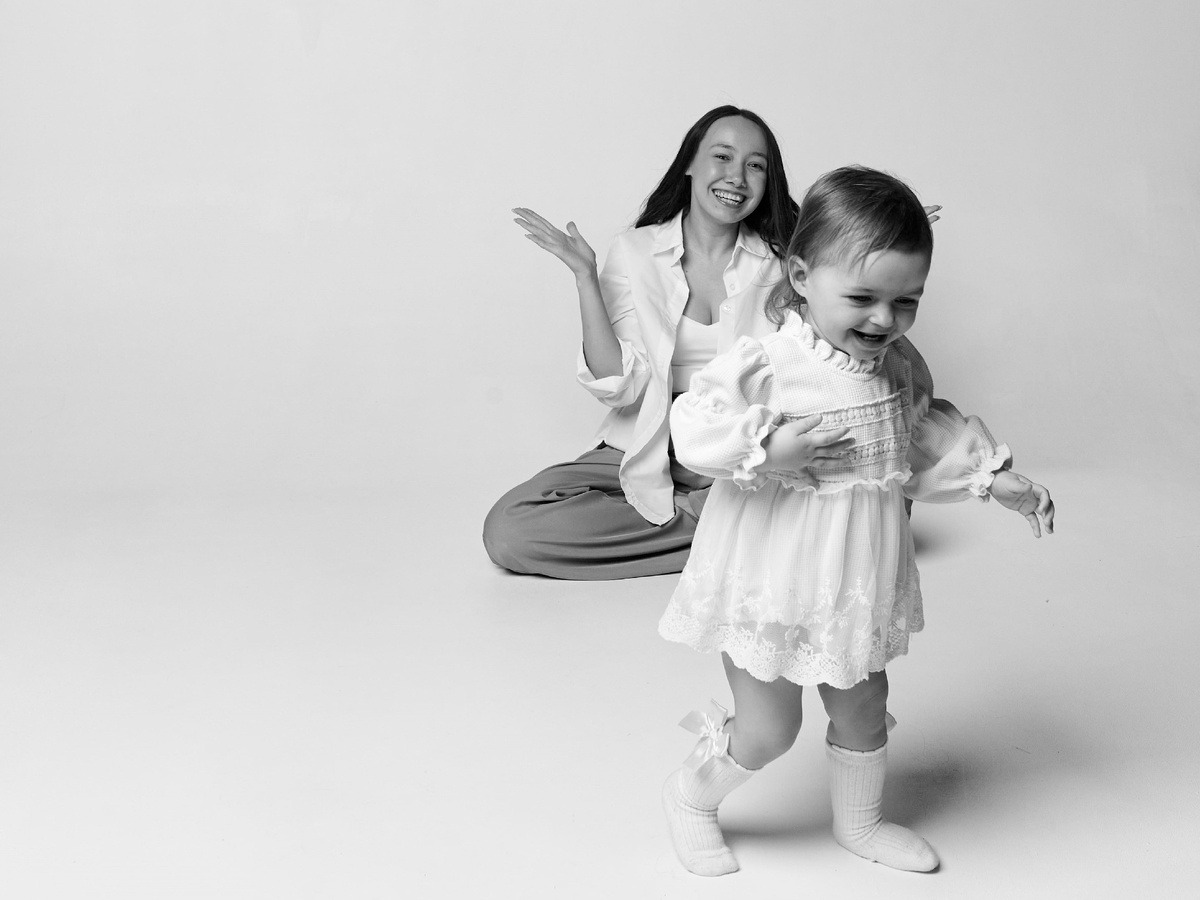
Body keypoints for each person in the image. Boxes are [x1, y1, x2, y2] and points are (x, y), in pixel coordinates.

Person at [658, 166, 1054, 876]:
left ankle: (861, 822)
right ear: (802, 277)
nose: (883, 320)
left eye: (906, 301)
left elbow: (920, 430)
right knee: (770, 728)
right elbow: (694, 425)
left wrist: (993, 479)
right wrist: (765, 446)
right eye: (863, 298)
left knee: (864, 704)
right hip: (771, 576)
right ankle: (691, 796)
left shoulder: (894, 367)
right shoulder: (772, 363)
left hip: (852, 577)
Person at [482, 105, 817, 580]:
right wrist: (585, 277)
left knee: (870, 495)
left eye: (755, 165)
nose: (737, 177)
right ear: (690, 163)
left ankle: (722, 522)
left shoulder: (785, 265)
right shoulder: (635, 251)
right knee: (510, 530)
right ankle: (731, 532)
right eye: (722, 157)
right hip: (647, 440)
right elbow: (621, 387)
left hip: (740, 449)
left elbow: (815, 363)